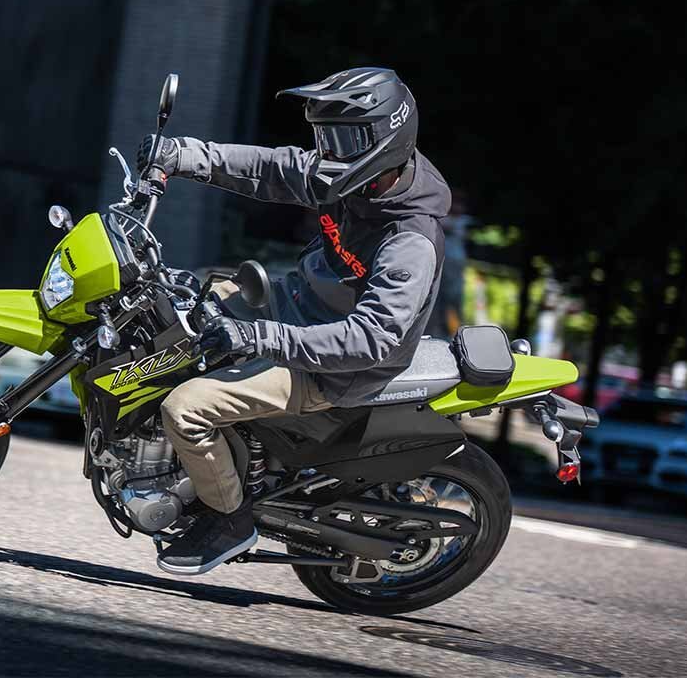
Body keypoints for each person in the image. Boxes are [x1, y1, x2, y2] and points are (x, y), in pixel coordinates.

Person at [136, 67, 452, 575]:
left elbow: (370, 338)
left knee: (186, 409)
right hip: (290, 311)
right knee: (169, 305)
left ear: (386, 140)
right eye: (324, 138)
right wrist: (182, 156)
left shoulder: (408, 240)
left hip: (330, 369)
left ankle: (229, 520)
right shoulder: (353, 178)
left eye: (342, 140)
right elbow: (270, 168)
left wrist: (257, 336)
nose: (326, 154)